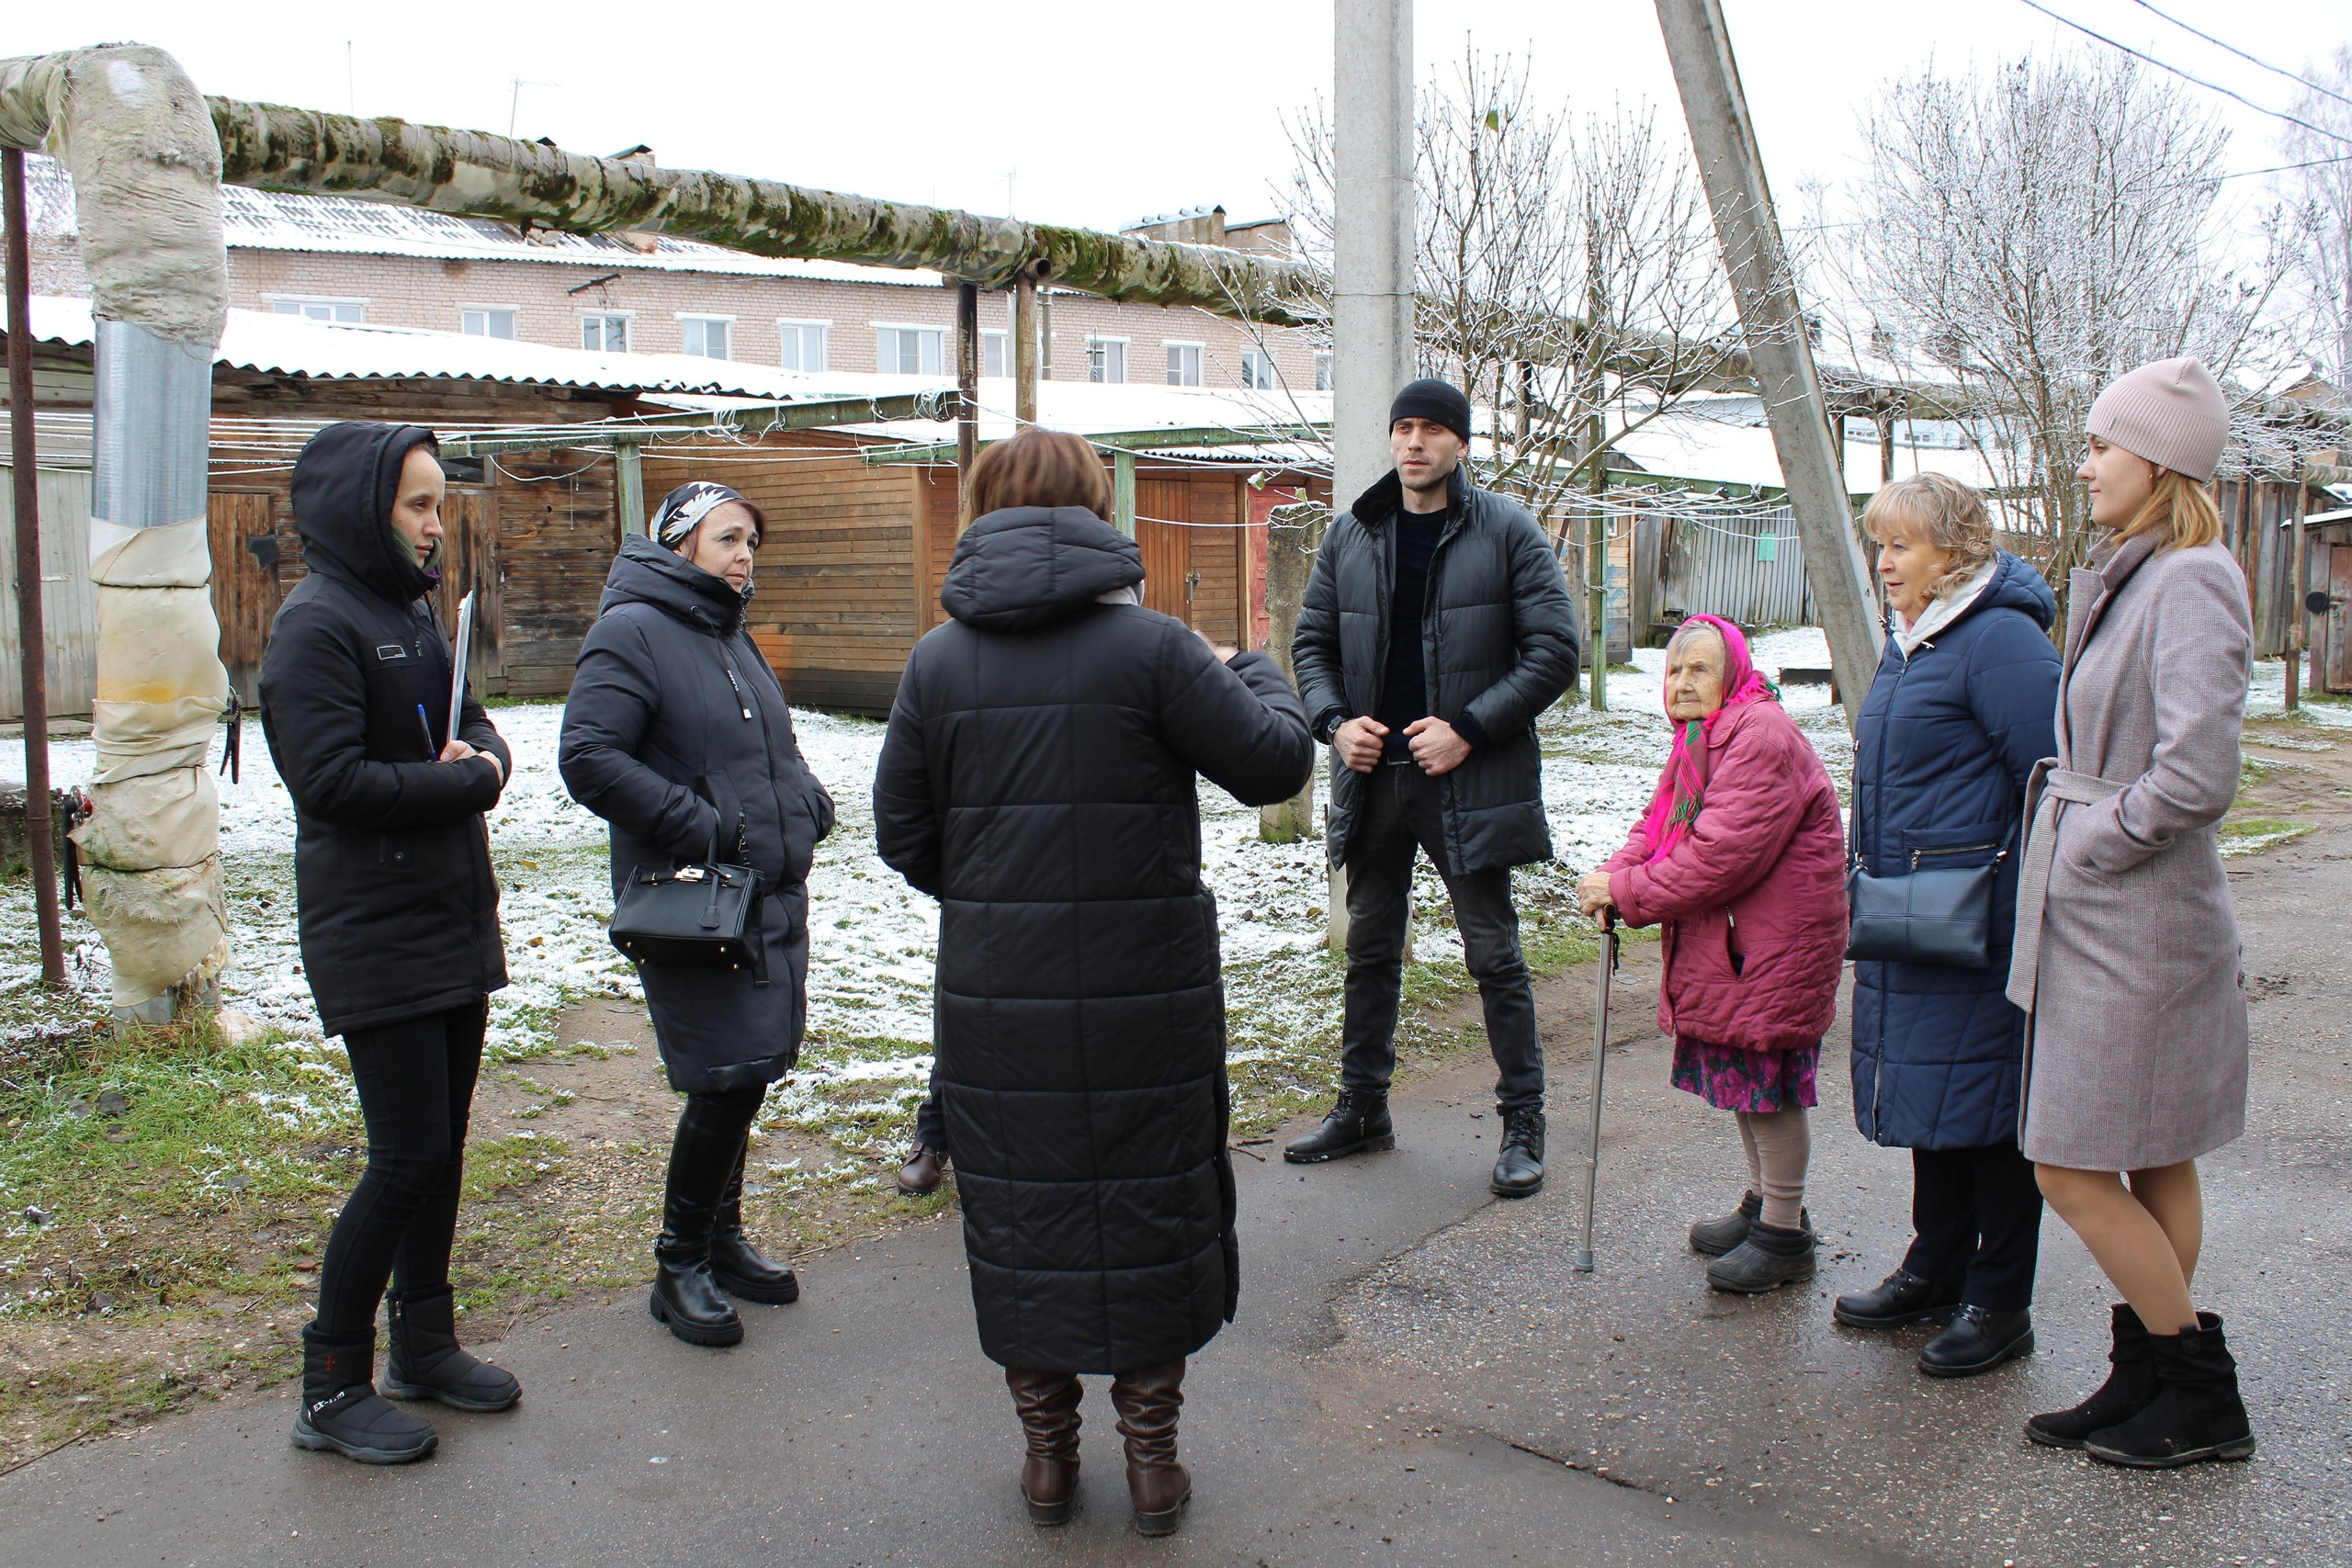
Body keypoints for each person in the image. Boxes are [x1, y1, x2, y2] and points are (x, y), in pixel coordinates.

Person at [873, 427, 1314, 1538]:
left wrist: (991, 901)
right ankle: (1154, 1466)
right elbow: (1276, 761)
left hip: (994, 993)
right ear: (1092, 506)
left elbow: (900, 833)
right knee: (1147, 1200)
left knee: (1026, 1217)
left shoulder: (938, 661)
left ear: (985, 509)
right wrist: (1248, 665)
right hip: (1144, 995)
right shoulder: (1157, 650)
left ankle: (1047, 1465)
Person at [2007, 357, 2256, 1469]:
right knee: (2152, 1157)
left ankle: (2200, 1391)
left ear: (2158, 458)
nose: (2087, 460)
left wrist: (2095, 842)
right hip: (2111, 913)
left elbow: (2197, 774)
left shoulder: (2192, 577)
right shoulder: (2136, 570)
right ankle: (2147, 1369)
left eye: (2104, 442)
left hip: (2140, 919)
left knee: (2066, 1163)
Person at [261, 422, 519, 1465]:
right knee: (405, 1155)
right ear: (361, 509)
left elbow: (480, 726)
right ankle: (331, 1384)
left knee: (441, 1146)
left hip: (449, 917)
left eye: (435, 502)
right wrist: (464, 779)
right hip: (375, 932)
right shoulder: (314, 628)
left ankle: (424, 1342)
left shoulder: (412, 612)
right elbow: (328, 785)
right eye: (415, 503)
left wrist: (485, 761)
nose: (433, 521)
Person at [1285, 378, 1579, 1194]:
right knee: (1370, 949)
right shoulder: (1351, 534)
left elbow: (1555, 651)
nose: (1414, 443)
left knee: (1493, 952)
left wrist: (1470, 728)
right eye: (1403, 427)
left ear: (1460, 443)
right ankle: (1362, 1108)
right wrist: (1335, 722)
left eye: (1432, 430)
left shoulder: (1508, 530)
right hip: (1375, 780)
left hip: (1469, 778)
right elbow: (1310, 642)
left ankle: (1524, 1122)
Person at [560, 482, 835, 1349]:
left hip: (763, 889)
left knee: (747, 1068)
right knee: (723, 1077)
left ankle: (720, 1238)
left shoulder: (726, 631)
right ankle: (678, 1262)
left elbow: (766, 745)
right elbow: (589, 756)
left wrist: (806, 799)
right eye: (727, 539)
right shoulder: (633, 629)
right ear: (679, 544)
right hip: (693, 897)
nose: (744, 555)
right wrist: (706, 826)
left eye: (752, 539)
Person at [1836, 474, 2061, 1378]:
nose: (1884, 563)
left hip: (1979, 920)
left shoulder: (1998, 638)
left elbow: (2050, 776)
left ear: (1954, 551)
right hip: (1915, 915)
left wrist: (2005, 885)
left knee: (1989, 1111)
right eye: (1879, 544)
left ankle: (1999, 1300)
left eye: (1902, 546)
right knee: (1937, 1096)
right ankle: (1935, 1266)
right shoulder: (1915, 641)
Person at [1577, 615, 1847, 1293]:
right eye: (1673, 670)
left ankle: (1784, 1233)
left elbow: (1717, 858)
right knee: (1746, 1083)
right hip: (1740, 944)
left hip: (1770, 948)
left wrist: (1629, 891)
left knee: (1768, 1088)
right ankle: (1764, 1204)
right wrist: (1614, 874)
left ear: (1733, 671)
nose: (1683, 681)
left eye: (1700, 668)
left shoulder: (1757, 734)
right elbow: (1661, 826)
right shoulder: (1701, 740)